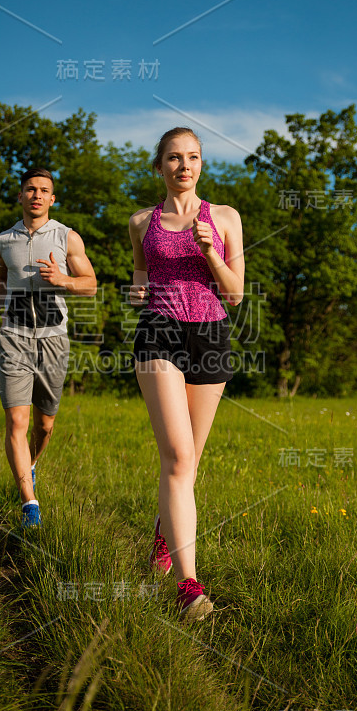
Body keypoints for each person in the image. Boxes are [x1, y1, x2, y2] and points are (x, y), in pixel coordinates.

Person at [129, 128, 244, 620]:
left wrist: (210, 252)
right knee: (177, 457)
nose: (184, 165)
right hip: (159, 333)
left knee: (189, 464)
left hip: (212, 337)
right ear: (159, 166)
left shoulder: (224, 217)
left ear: (201, 164)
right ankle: (188, 587)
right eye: (174, 158)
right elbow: (139, 271)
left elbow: (236, 294)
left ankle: (162, 536)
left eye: (193, 157)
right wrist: (137, 291)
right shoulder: (141, 222)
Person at [0, 168, 97, 527]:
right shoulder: (4, 240)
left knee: (44, 426)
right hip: (13, 335)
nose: (36, 195)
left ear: (52, 199)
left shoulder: (67, 237)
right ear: (20, 196)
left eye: (43, 190)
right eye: (30, 189)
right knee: (17, 420)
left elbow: (91, 285)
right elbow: (1, 276)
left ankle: (30, 465)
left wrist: (63, 279)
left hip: (52, 337)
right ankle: (30, 505)